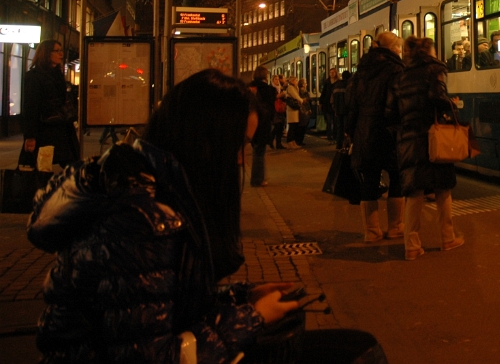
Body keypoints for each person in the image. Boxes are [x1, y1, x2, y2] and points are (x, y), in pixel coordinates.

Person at [27, 69, 299, 363]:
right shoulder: (141, 219)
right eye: (237, 145)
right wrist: (252, 318)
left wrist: (240, 299)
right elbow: (150, 356)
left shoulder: (158, 188)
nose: (239, 160)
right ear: (204, 140)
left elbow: (160, 302)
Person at [386, 36, 464, 261]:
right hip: (433, 136)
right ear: (429, 51)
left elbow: (390, 112)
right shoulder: (434, 70)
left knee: (414, 192)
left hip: (409, 138)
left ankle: (411, 246)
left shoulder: (401, 76)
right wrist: (452, 104)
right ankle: (447, 239)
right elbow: (436, 96)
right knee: (443, 189)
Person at [345, 32, 406, 242]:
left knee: (370, 179)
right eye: (398, 47)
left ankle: (371, 231)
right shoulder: (396, 69)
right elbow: (397, 104)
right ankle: (396, 227)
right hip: (389, 131)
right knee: (397, 176)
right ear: (392, 49)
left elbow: (352, 104)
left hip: (365, 130)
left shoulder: (361, 69)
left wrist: (350, 131)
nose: (399, 51)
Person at [19, 40, 79, 169]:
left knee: (71, 164)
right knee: (39, 165)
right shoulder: (34, 76)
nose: (60, 54)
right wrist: (30, 136)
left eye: (61, 50)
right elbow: (30, 106)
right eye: (56, 51)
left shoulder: (58, 75)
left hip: (62, 127)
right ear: (46, 53)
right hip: (45, 128)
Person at [248, 66, 277, 186]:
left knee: (257, 149)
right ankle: (257, 179)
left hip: (250, 121)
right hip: (263, 123)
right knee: (260, 151)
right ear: (265, 75)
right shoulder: (268, 89)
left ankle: (261, 176)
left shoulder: (248, 87)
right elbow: (271, 108)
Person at [320, 67, 342, 142]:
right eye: (330, 73)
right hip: (327, 104)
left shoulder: (338, 82)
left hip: (335, 104)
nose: (332, 74)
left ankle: (335, 136)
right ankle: (329, 136)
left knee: (335, 121)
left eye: (333, 72)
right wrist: (321, 102)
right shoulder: (327, 82)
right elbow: (323, 92)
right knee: (329, 121)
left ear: (336, 73)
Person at [332, 70, 351, 144]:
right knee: (346, 127)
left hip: (338, 109)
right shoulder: (348, 85)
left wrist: (334, 108)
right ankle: (345, 144)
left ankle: (338, 143)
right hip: (346, 110)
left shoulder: (336, 85)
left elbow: (332, 99)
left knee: (339, 127)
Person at [271, 74, 287, 149]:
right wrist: (279, 96)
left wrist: (284, 96)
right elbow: (272, 98)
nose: (277, 81)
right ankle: (275, 141)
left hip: (281, 109)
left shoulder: (281, 88)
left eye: (277, 79)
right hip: (275, 109)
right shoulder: (272, 89)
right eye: (275, 79)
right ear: (273, 81)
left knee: (280, 126)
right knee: (278, 126)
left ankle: (276, 142)